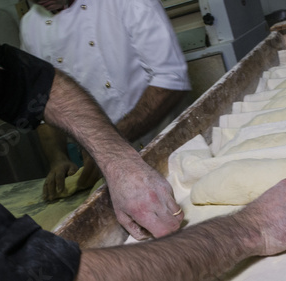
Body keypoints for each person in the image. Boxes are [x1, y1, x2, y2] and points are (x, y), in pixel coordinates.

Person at [0, 1, 286, 280]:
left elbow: (28, 82)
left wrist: (117, 158)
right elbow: (36, 273)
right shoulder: (32, 23)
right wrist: (250, 230)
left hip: (146, 151)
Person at [20, 0, 191, 200]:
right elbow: (43, 101)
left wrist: (106, 146)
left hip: (165, 150)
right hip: (103, 167)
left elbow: (170, 80)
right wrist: (58, 158)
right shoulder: (30, 24)